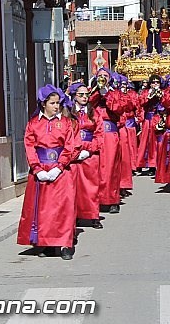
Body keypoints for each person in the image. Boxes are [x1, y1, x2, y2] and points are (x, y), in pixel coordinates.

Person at [17, 85, 79, 260]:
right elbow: (29, 147)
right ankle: (47, 243)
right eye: (52, 103)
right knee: (44, 209)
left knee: (64, 208)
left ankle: (66, 243)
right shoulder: (34, 123)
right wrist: (37, 169)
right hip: (41, 170)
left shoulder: (66, 123)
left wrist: (59, 166)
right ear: (44, 104)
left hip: (61, 171)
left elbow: (70, 146)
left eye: (58, 103)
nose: (56, 106)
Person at [89, 68, 126, 214]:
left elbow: (119, 109)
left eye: (105, 76)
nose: (102, 78)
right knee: (94, 169)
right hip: (94, 133)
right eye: (100, 76)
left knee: (110, 168)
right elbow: (86, 106)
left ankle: (112, 200)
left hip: (110, 134)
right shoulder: (92, 92)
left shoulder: (116, 93)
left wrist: (107, 95)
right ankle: (94, 201)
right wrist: (97, 92)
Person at [67, 83, 104, 229]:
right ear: (74, 96)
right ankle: (74, 216)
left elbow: (99, 134)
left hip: (90, 155)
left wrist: (89, 150)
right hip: (73, 155)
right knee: (74, 187)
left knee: (91, 187)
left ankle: (93, 216)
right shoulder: (68, 113)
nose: (84, 97)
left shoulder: (94, 113)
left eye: (86, 94)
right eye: (80, 94)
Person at [137, 75, 162, 175]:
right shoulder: (145, 92)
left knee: (158, 143)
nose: (155, 84)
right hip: (148, 118)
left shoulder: (162, 92)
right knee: (147, 142)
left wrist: (160, 96)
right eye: (153, 82)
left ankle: (158, 164)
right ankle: (149, 165)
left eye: (157, 82)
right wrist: (150, 95)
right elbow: (141, 103)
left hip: (158, 118)